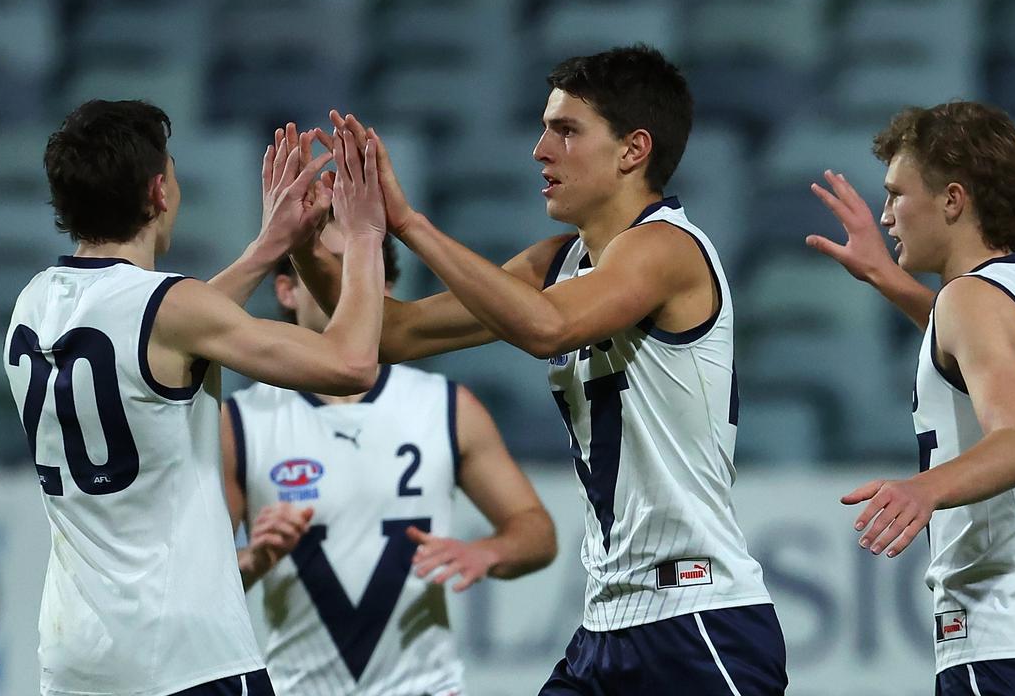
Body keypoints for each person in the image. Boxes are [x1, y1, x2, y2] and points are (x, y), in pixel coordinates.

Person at [293, 45, 788, 695]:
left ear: (633, 150)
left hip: (696, 620)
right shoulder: (557, 261)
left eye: (566, 130)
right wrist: (305, 242)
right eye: (544, 128)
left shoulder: (667, 248)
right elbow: (398, 332)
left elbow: (546, 329)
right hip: (607, 625)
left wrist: (407, 223)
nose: (539, 150)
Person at [3, 99, 388, 696]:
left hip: (75, 660)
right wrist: (364, 235)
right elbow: (353, 362)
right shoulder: (167, 307)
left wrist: (266, 248)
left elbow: (163, 331)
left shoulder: (33, 304)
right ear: (159, 192)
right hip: (185, 659)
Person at [807, 101, 1015, 695]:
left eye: (897, 194)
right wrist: (885, 277)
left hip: (1006, 642)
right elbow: (964, 350)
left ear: (952, 199)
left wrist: (922, 489)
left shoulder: (971, 300)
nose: (887, 215)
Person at [221, 224, 558, 695]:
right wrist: (255, 559)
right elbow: (204, 584)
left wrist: (487, 551)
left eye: (359, 268)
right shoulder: (242, 421)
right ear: (286, 291)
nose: (339, 284)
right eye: (321, 266)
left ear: (387, 289)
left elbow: (537, 532)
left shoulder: (445, 406)